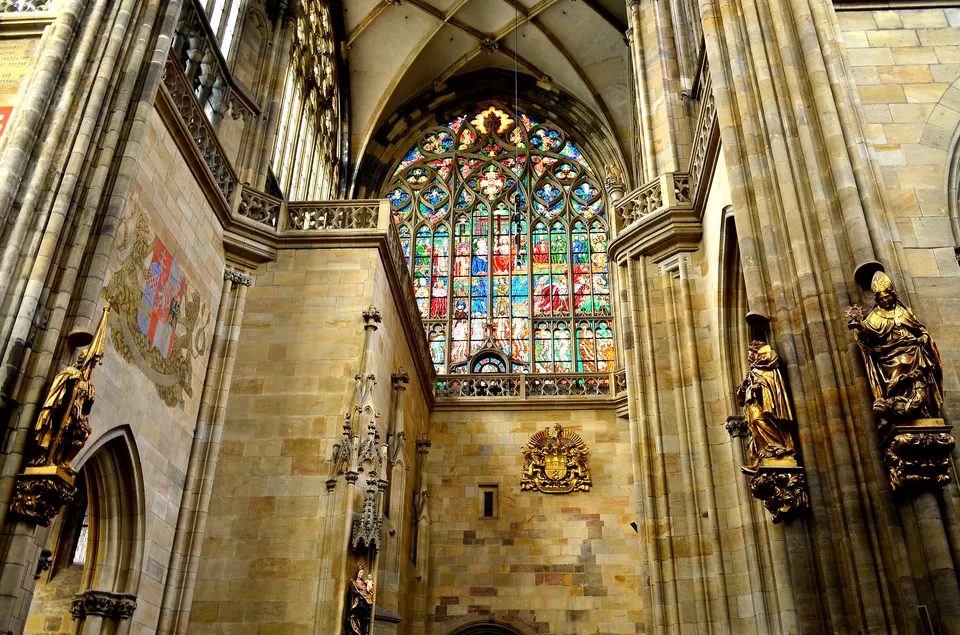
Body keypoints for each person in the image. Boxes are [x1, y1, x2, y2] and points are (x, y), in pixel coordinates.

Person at [848, 271, 943, 421]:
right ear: (878, 300)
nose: (885, 301)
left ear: (893, 295)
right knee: (898, 372)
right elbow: (869, 333)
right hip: (891, 356)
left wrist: (924, 337)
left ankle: (923, 408)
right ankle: (899, 405)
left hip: (914, 351)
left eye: (887, 297)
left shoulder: (905, 312)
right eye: (882, 299)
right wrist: (859, 326)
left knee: (919, 379)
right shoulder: (875, 316)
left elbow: (920, 329)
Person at [736, 341, 796, 473]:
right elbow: (740, 398)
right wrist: (744, 386)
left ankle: (776, 447)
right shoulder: (753, 372)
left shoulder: (766, 370)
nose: (749, 357)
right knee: (753, 425)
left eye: (751, 353)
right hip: (751, 405)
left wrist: (758, 387)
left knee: (759, 421)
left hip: (762, 406)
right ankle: (761, 455)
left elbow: (771, 387)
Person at [347, 563, 374, 635]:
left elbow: (367, 590)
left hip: (365, 602)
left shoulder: (364, 583)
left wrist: (370, 593)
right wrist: (357, 593)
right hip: (358, 602)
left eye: (362, 573)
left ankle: (363, 628)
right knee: (357, 611)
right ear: (358, 573)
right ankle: (356, 628)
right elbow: (352, 591)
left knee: (365, 613)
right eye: (360, 572)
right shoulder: (354, 582)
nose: (361, 574)